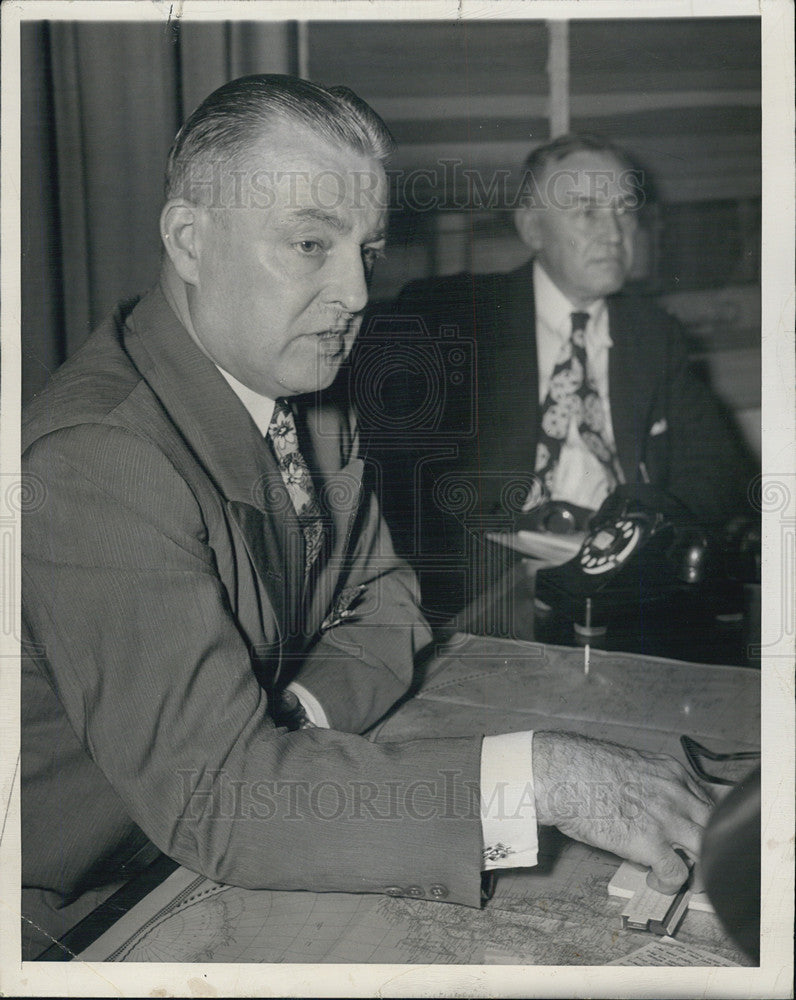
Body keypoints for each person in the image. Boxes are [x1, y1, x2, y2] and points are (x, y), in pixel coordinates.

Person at [21, 77, 713, 959]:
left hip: (209, 846)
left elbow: (388, 607)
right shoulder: (97, 457)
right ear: (190, 241)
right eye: (311, 243)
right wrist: (534, 779)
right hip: (73, 911)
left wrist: (290, 728)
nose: (353, 292)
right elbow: (218, 801)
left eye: (369, 251)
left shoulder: (295, 384)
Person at [359, 134, 758, 618]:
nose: (614, 232)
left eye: (624, 211)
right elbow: (398, 486)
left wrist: (639, 540)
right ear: (532, 227)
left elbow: (719, 473)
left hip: (619, 580)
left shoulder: (654, 335)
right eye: (587, 210)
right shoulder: (452, 317)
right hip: (488, 590)